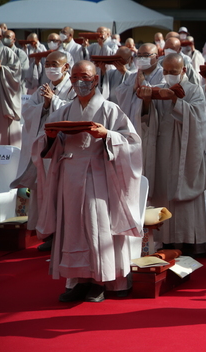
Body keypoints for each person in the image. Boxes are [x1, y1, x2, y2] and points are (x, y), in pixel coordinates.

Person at [32, 60, 143, 302]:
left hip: (98, 173)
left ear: (95, 80)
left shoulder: (110, 109)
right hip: (69, 175)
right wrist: (50, 138)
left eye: (85, 77)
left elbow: (132, 142)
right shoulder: (62, 110)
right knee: (72, 228)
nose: (80, 82)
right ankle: (78, 280)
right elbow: (45, 142)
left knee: (97, 226)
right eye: (75, 77)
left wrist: (108, 135)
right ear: (70, 80)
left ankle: (101, 280)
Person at [138, 53, 206, 254]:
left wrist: (175, 101)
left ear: (184, 71)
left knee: (183, 203)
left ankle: (188, 246)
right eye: (166, 71)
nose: (170, 74)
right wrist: (146, 101)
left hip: (185, 153)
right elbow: (147, 119)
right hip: (161, 153)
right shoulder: (160, 89)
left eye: (174, 71)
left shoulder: (194, 90)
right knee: (163, 195)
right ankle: (166, 245)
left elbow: (198, 121)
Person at [11, 51, 75, 245]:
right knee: (45, 190)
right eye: (47, 64)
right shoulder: (42, 88)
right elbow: (28, 111)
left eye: (54, 64)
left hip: (64, 148)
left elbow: (76, 111)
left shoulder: (73, 88)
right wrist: (45, 106)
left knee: (62, 191)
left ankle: (67, 235)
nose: (50, 68)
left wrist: (54, 102)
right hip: (44, 148)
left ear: (65, 67)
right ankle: (49, 234)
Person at [0, 25, 22, 147]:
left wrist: (1, 68)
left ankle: (1, 152)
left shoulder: (7, 52)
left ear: (0, 36)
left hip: (1, 93)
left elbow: (16, 72)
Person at [2, 29, 30, 94]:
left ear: (14, 40)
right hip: (2, 88)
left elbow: (23, 70)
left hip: (17, 88)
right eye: (4, 37)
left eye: (8, 37)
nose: (5, 39)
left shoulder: (20, 53)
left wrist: (2, 69)